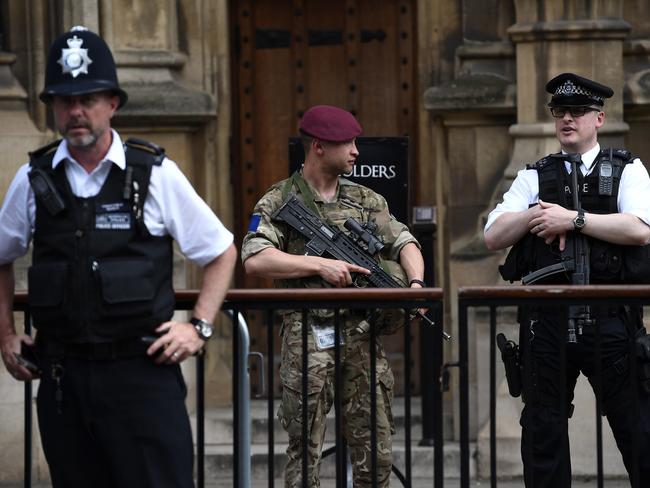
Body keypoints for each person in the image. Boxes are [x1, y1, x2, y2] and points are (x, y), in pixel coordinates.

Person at [0, 26, 237, 488]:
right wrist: (6, 334)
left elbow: (222, 251)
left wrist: (200, 326)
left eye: (88, 98)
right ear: (52, 106)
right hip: (64, 381)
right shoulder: (33, 180)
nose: (76, 111)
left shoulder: (155, 175)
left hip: (142, 379)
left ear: (112, 102)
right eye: (65, 100)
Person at [241, 105, 426, 487]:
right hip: (307, 335)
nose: (357, 150)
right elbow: (255, 259)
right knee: (303, 449)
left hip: (360, 333)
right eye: (347, 142)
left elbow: (404, 241)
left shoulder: (365, 199)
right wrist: (318, 266)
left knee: (375, 446)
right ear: (319, 146)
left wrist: (415, 284)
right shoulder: (278, 200)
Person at [484, 73, 650, 487]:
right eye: (560, 111)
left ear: (600, 118)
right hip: (547, 325)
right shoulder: (535, 176)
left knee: (639, 431)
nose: (568, 119)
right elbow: (492, 235)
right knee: (543, 437)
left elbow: (639, 228)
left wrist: (573, 220)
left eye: (578, 111)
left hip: (612, 322)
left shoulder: (627, 168)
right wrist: (537, 214)